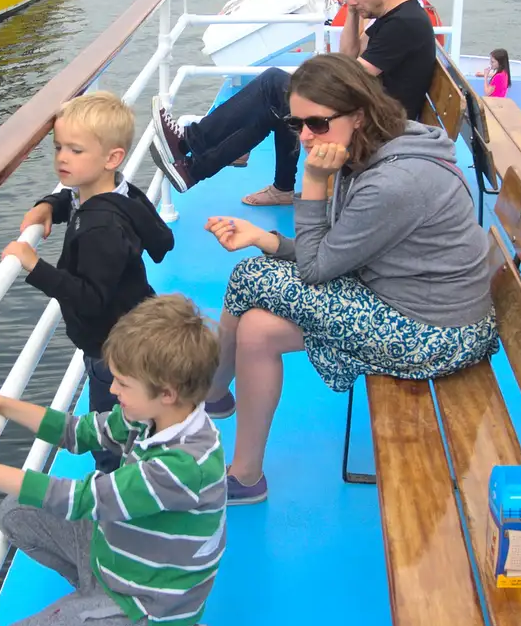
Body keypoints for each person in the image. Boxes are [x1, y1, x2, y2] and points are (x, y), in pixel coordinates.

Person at [200, 54, 497, 504]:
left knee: (249, 276)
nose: (304, 136)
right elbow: (340, 250)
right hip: (412, 300)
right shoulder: (380, 146)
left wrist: (313, 180)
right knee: (258, 329)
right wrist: (266, 237)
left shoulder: (393, 183)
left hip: (436, 332)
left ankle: (213, 395)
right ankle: (244, 473)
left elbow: (318, 269)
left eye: (317, 123)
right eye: (295, 123)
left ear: (358, 115)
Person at [0, 294, 221, 626]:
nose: (113, 388)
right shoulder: (152, 417)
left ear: (168, 392)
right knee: (15, 512)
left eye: (123, 383)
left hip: (149, 602)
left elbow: (82, 498)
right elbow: (78, 431)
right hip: (119, 555)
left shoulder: (182, 466)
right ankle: (95, 610)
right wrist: (2, 405)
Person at [149, 0, 437, 207]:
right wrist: (353, 11)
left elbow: (351, 76)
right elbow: (349, 55)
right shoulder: (392, 16)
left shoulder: (404, 24)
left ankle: (190, 144)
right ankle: (194, 169)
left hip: (378, 129)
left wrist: (309, 81)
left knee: (274, 85)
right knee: (279, 105)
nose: (351, 0)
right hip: (369, 113)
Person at [11, 91, 175, 472]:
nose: (62, 158)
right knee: (139, 418)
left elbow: (90, 299)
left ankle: (116, 488)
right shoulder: (122, 193)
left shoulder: (102, 227)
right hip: (136, 327)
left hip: (110, 349)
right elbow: (162, 240)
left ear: (112, 157)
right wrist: (50, 204)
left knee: (109, 432)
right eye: (58, 148)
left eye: (75, 150)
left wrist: (35, 267)